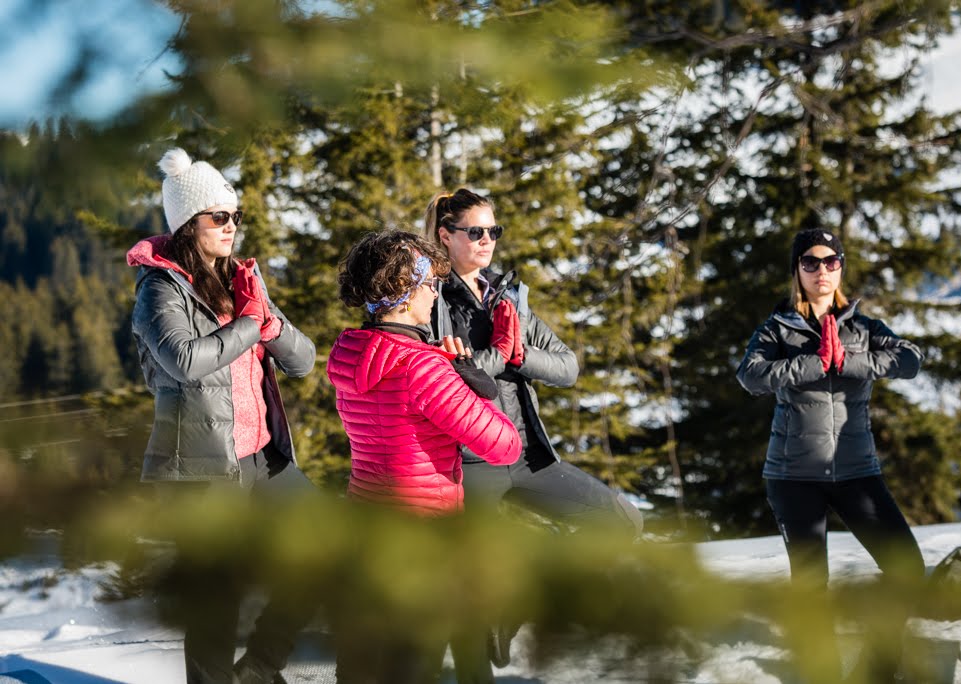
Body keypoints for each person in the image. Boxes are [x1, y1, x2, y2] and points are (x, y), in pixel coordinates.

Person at [423, 189, 644, 680]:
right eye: (475, 232)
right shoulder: (431, 299)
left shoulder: (507, 295)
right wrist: (498, 355)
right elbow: (437, 376)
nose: (487, 240)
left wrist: (520, 355)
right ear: (446, 235)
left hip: (527, 454)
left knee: (619, 522)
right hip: (469, 462)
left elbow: (567, 366)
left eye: (493, 231)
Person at [128, 148, 317, 684]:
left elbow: (304, 361)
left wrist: (268, 323)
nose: (232, 225)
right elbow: (184, 360)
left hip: (263, 457)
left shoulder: (242, 281)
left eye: (236, 215)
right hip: (202, 469)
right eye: (219, 216)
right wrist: (251, 324)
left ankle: (259, 666)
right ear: (189, 224)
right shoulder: (159, 289)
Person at [327, 229, 522, 681]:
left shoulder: (349, 352)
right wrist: (472, 380)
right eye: (431, 284)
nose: (436, 294)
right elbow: (504, 446)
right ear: (404, 291)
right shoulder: (424, 366)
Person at [736, 228, 926, 682]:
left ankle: (878, 670)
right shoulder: (778, 328)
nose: (821, 270)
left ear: (840, 267)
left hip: (857, 472)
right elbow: (750, 375)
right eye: (810, 262)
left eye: (831, 261)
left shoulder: (863, 328)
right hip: (793, 476)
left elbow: (911, 360)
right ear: (797, 270)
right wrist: (814, 363)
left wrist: (848, 362)